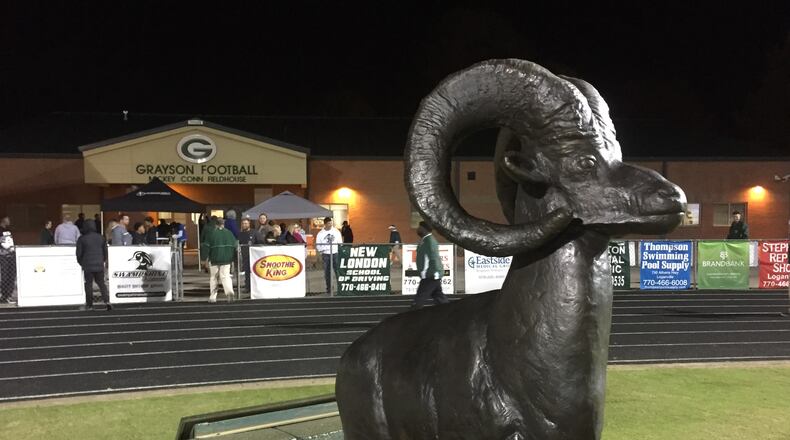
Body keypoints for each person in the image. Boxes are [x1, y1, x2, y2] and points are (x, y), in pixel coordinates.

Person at [411, 221, 449, 309]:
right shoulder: (424, 240)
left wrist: (435, 273)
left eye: (419, 227)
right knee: (440, 299)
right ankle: (451, 315)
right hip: (430, 275)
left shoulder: (430, 241)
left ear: (424, 229)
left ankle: (411, 319)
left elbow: (434, 258)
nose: (418, 229)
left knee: (418, 301)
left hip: (430, 276)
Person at [75, 220, 110, 311]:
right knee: (101, 283)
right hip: (99, 264)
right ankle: (107, 301)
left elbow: (78, 254)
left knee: (88, 284)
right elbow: (105, 253)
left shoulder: (82, 239)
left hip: (87, 264)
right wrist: (102, 261)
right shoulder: (101, 238)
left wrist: (81, 263)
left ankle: (89, 305)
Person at [201, 218, 237, 303]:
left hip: (214, 259)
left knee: (214, 277)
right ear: (223, 224)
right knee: (226, 277)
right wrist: (233, 259)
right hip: (227, 259)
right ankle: (229, 293)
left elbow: (206, 246)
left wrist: (203, 259)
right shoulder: (229, 233)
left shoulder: (211, 233)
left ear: (215, 224)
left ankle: (213, 297)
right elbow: (234, 246)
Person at [315, 217, 343, 294]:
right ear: (325, 224)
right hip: (326, 255)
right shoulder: (320, 233)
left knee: (338, 271)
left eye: (331, 223)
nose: (330, 225)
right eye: (329, 223)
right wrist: (322, 250)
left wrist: (339, 250)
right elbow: (318, 245)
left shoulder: (336, 231)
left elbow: (340, 242)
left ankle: (340, 288)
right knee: (327, 273)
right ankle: (329, 289)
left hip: (335, 254)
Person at [238, 218, 255, 293]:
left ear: (249, 224)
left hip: (254, 256)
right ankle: (247, 287)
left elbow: (260, 242)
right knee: (247, 273)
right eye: (243, 223)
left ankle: (254, 287)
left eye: (246, 223)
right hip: (245, 256)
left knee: (254, 272)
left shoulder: (254, 232)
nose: (244, 225)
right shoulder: (240, 234)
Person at [0, 220, 15, 304]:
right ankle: (4, 295)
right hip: (3, 255)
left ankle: (9, 294)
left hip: (11, 254)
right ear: (3, 221)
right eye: (7, 219)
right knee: (5, 275)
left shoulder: (9, 230)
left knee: (11, 275)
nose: (9, 221)